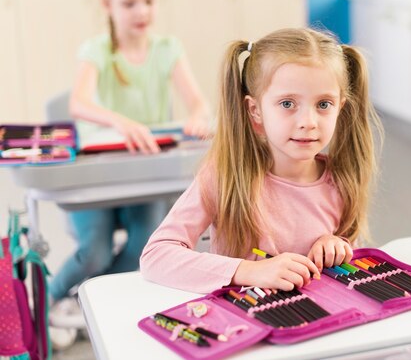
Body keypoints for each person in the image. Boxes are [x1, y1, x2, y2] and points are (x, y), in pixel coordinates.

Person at [140, 27, 382, 294]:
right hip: (247, 326)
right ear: (255, 111)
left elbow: (349, 262)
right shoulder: (224, 176)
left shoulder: (341, 179)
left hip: (317, 324)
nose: (308, 122)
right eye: (288, 104)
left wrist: (336, 246)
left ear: (340, 108)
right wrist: (250, 271)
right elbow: (156, 256)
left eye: (324, 104)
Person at [48, 0, 212, 344]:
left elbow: (199, 103)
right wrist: (120, 121)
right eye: (129, 3)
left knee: (145, 249)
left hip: (145, 175)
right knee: (94, 253)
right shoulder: (97, 51)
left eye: (149, 1)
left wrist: (200, 116)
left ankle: (88, 301)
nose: (142, 11)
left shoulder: (168, 49)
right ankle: (50, 303)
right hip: (99, 173)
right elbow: (79, 103)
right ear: (108, 5)